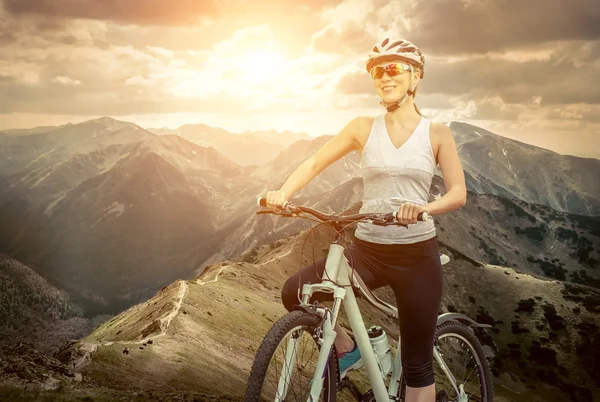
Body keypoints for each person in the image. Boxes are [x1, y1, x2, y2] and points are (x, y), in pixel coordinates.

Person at [264, 38, 466, 402]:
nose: (383, 77)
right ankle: (348, 345)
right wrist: (284, 193)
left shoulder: (437, 133)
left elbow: (457, 194)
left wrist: (423, 208)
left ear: (414, 76)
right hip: (368, 249)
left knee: (417, 367)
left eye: (393, 69)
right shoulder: (362, 127)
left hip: (416, 256)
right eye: (377, 71)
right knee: (293, 292)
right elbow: (314, 163)